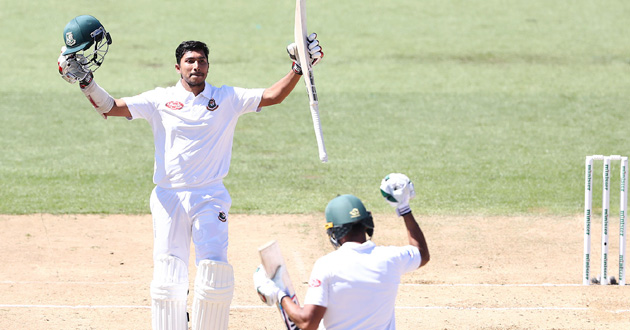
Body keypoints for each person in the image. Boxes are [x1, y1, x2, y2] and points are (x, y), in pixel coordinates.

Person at [57, 15, 323, 330]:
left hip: (209, 196)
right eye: (189, 61)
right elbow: (110, 107)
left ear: (208, 66)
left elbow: (273, 96)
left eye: (201, 61)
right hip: (168, 197)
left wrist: (298, 68)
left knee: (215, 273)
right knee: (169, 278)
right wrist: (87, 82)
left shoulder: (227, 98)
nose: (195, 66)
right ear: (178, 67)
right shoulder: (159, 100)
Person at [254, 173, 430, 330]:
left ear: (334, 232)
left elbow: (307, 323)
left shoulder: (327, 265)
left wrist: (279, 293)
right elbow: (421, 253)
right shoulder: (392, 258)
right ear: (366, 223)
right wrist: (404, 207)